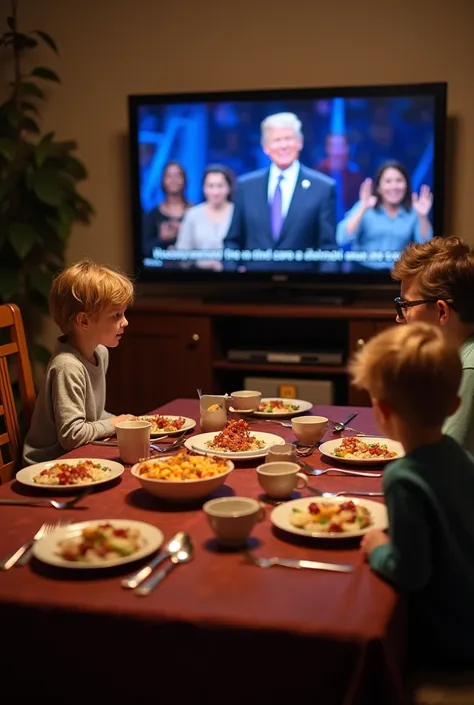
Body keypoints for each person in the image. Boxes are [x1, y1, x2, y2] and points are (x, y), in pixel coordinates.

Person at [348, 322, 474, 669]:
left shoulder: (403, 478)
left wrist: (377, 548)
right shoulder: (460, 455)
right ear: (454, 406)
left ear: (383, 412)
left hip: (447, 641)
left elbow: (411, 571)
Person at [23, 260, 135, 465]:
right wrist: (115, 424)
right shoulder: (67, 367)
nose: (125, 322)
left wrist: (127, 422)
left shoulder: (99, 353)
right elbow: (72, 435)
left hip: (78, 458)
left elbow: (93, 416)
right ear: (84, 321)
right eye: (116, 315)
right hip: (49, 466)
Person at [391, 236, 474, 455]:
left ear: (441, 311)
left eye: (406, 305)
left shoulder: (469, 370)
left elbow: (442, 464)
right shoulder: (456, 358)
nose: (400, 318)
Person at [222, 112, 337, 271]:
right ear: (266, 148)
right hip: (252, 289)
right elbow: (233, 241)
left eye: (288, 139)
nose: (283, 146)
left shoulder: (323, 188)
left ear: (300, 143)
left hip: (304, 289)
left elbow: (328, 248)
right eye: (277, 140)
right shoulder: (245, 187)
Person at [336, 160, 433, 270]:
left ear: (406, 185)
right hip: (362, 273)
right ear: (378, 187)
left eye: (399, 181)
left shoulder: (413, 211)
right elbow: (342, 238)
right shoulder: (365, 206)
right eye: (388, 181)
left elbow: (426, 245)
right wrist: (362, 208)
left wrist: (422, 216)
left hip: (399, 274)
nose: (394, 186)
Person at [175, 165, 235, 271]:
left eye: (220, 186)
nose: (215, 192)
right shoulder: (193, 214)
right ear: (204, 188)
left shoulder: (238, 212)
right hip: (198, 278)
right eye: (210, 186)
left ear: (229, 188)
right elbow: (182, 253)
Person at [143, 161, 191, 255]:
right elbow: (144, 250)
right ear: (163, 181)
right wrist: (161, 239)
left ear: (185, 180)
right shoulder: (153, 215)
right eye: (169, 176)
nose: (173, 180)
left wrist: (185, 232)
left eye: (178, 175)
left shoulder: (196, 212)